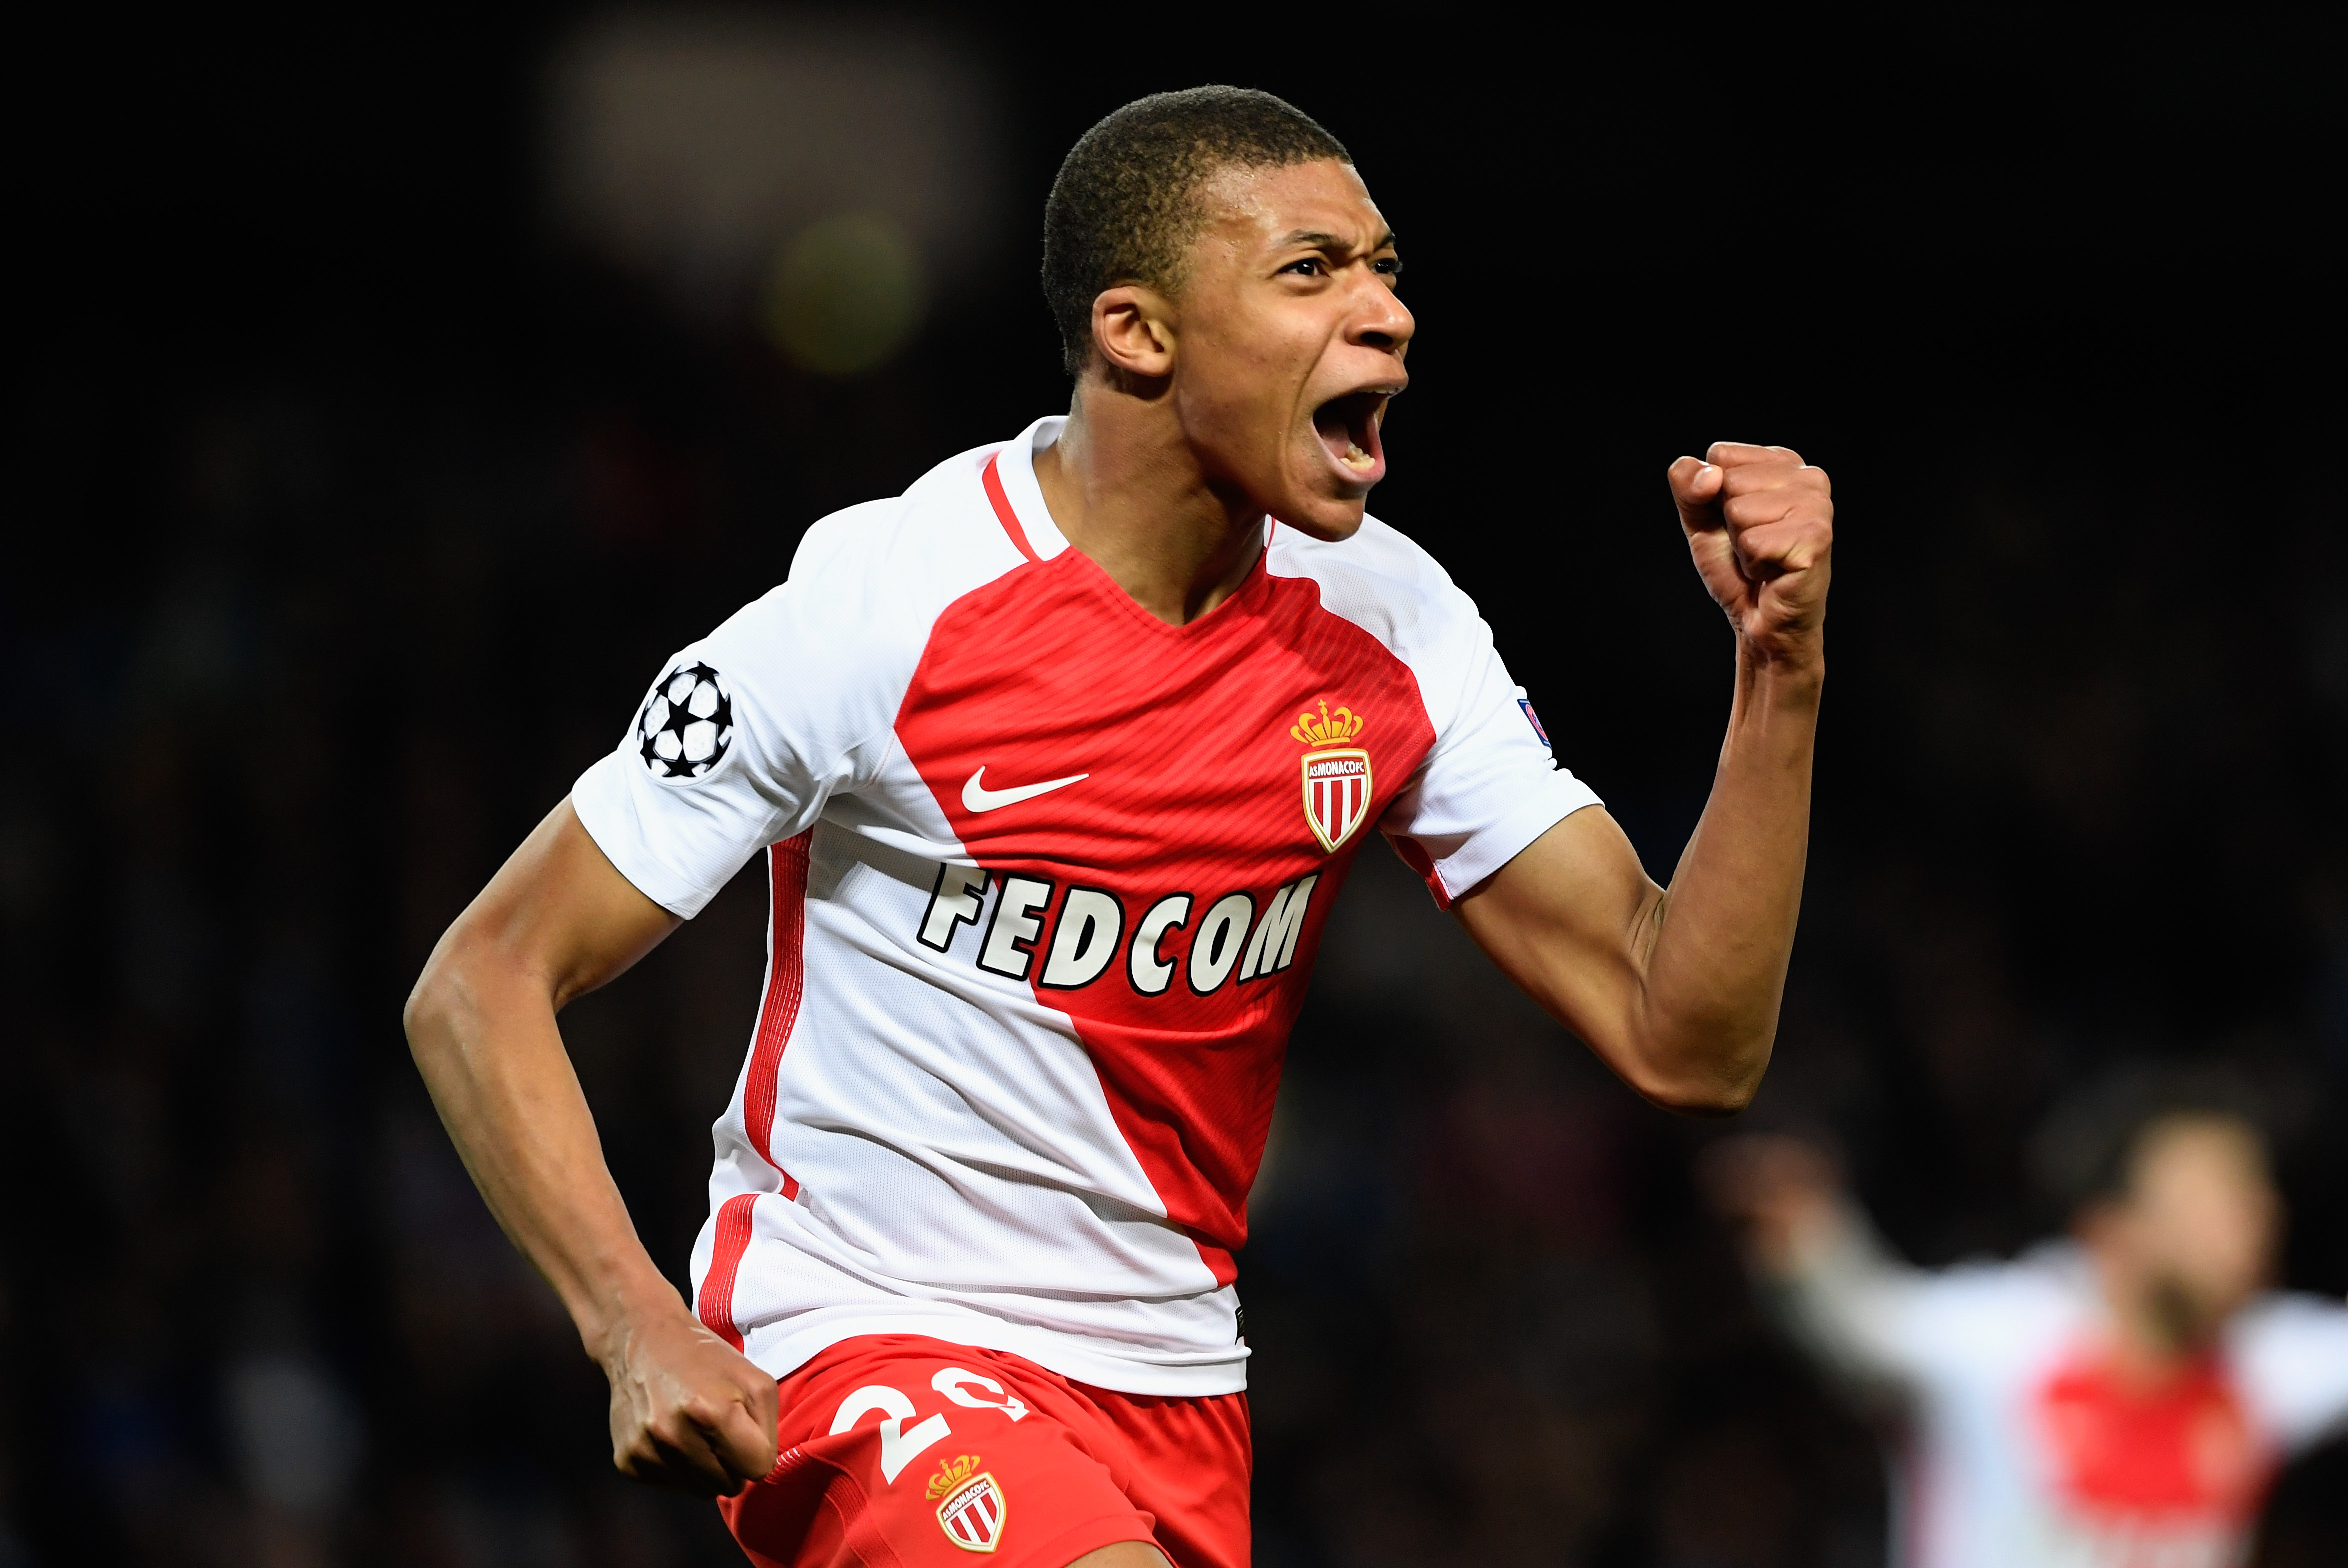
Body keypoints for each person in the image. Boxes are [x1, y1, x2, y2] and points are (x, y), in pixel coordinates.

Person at [404, 86, 1834, 1568]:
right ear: (1138, 333)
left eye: (1385, 269)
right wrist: (635, 1321)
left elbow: (1687, 1034)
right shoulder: (885, 608)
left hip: (1175, 1394)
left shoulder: (1391, 621)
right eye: (1311, 270)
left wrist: (1776, 674)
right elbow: (482, 976)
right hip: (865, 1347)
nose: (1387, 314)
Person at [1706, 1075, 2348, 1568]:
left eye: (2252, 1195)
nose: (2253, 1218)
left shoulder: (2263, 1367)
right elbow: (1865, 1323)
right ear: (2110, 1229)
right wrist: (1806, 1241)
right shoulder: (2004, 1337)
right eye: (2211, 1195)